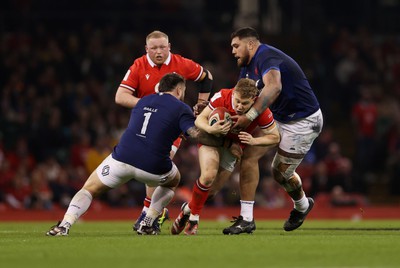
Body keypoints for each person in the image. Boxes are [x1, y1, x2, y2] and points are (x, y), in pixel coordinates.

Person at [46, 73, 221, 236]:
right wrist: (219, 135)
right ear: (179, 90)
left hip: (122, 157)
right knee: (173, 181)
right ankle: (147, 221)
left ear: (159, 87)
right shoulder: (181, 108)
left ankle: (64, 225)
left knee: (89, 188)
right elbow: (195, 134)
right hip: (152, 166)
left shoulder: (143, 101)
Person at [115, 30, 213, 231]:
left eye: (162, 47)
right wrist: (149, 104)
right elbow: (120, 96)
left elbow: (207, 77)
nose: (159, 51)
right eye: (154, 48)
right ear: (146, 49)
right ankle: (156, 213)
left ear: (169, 46)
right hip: (146, 125)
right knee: (154, 166)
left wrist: (202, 105)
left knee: (158, 162)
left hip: (172, 126)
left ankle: (147, 215)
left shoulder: (181, 63)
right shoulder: (138, 65)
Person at [229, 27, 323, 232]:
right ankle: (246, 219)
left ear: (251, 44)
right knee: (249, 155)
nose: (233, 51)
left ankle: (302, 205)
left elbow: (274, 87)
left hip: (303, 120)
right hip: (278, 117)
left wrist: (250, 116)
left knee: (279, 173)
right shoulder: (245, 66)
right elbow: (238, 99)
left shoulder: (266, 56)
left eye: (237, 46)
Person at [171, 78, 280, 235]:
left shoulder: (260, 110)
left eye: (245, 103)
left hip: (232, 150)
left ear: (253, 101)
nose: (240, 106)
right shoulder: (222, 96)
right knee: (208, 176)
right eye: (237, 101)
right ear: (233, 93)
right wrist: (211, 128)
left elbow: (275, 136)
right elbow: (200, 119)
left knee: (211, 193)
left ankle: (187, 210)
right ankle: (194, 220)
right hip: (212, 140)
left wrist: (254, 140)